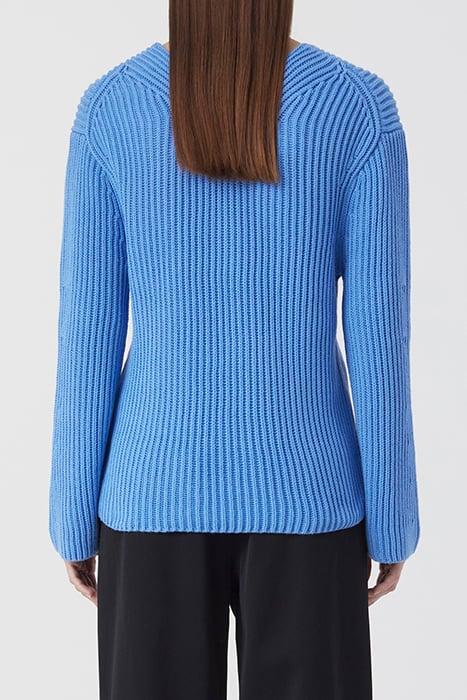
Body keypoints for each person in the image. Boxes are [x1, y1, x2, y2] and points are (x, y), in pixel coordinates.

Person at [48, 1, 420, 697]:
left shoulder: (111, 108)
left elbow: (87, 331)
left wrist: (71, 516)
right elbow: (379, 337)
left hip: (150, 494)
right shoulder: (354, 108)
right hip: (310, 496)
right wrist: (393, 520)